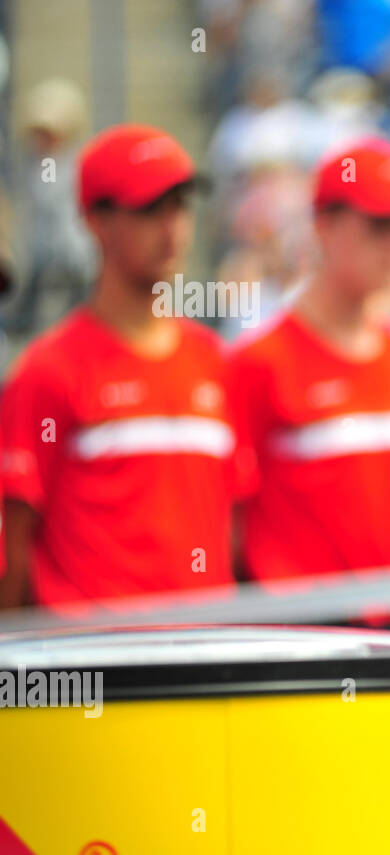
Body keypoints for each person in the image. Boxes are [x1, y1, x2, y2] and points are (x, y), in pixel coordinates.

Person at [0, 124, 234, 607]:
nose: (172, 228)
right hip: (99, 670)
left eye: (180, 206)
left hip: (209, 661)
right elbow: (14, 552)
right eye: (150, 209)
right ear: (96, 220)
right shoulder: (49, 370)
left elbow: (234, 530)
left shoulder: (215, 361)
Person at [225, 136, 390, 628]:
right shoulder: (260, 363)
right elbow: (226, 523)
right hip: (304, 644)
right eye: (379, 225)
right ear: (324, 227)